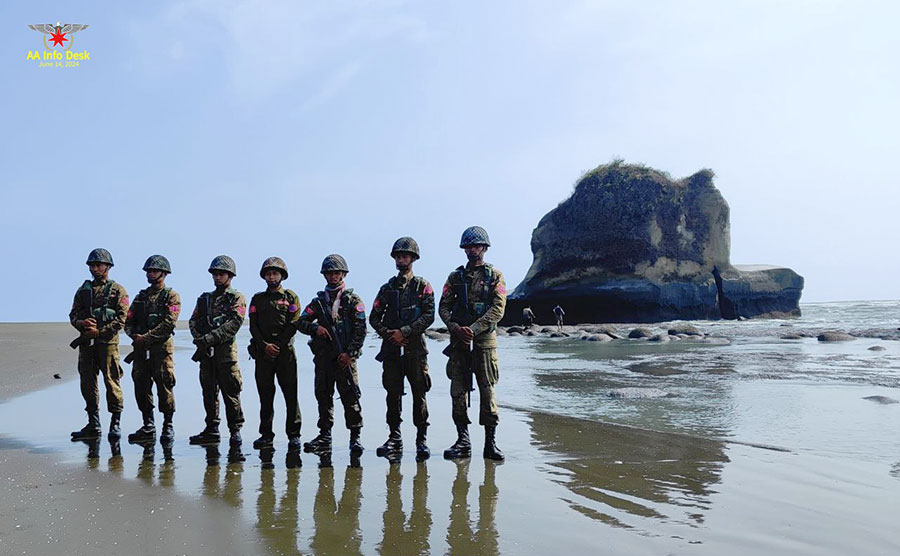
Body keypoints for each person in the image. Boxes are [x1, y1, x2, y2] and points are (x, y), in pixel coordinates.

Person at [439, 226, 507, 461]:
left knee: (487, 390)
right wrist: (456, 328)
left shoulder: (494, 276)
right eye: (468, 246)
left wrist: (474, 329)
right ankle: (463, 441)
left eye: (476, 246)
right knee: (457, 391)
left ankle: (490, 443)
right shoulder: (455, 277)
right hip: (459, 341)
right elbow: (443, 307)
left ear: (484, 248)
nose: (472, 250)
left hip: (484, 341)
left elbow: (498, 308)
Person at [369, 237, 435, 461]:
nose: (401, 259)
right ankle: (394, 438)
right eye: (398, 256)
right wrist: (389, 334)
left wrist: (405, 331)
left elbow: (429, 316)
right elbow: (374, 317)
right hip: (391, 350)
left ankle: (421, 440)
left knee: (420, 393)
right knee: (392, 394)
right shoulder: (387, 288)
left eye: (405, 256)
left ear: (413, 258)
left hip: (415, 349)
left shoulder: (422, 286)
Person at [296, 254, 367, 455]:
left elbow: (361, 328)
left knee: (351, 397)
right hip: (324, 359)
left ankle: (355, 438)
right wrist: (315, 329)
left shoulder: (353, 300)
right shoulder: (318, 302)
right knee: (323, 396)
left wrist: (350, 353)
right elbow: (300, 322)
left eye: (336, 273)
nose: (333, 277)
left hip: (345, 359)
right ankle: (325, 436)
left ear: (343, 274)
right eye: (329, 273)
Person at [69, 248, 129, 440]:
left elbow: (122, 319)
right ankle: (93, 423)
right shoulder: (83, 290)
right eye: (92, 265)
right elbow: (73, 316)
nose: (95, 268)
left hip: (108, 344)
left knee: (112, 382)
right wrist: (82, 324)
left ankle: (115, 422)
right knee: (87, 383)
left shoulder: (118, 290)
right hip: (87, 345)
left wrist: (100, 332)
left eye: (98, 265)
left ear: (108, 267)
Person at [188, 255, 247, 446]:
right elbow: (193, 321)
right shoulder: (205, 299)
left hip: (225, 354)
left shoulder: (237, 298)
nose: (217, 277)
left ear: (230, 276)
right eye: (215, 274)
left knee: (231, 393)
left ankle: (235, 431)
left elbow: (234, 323)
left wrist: (210, 338)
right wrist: (200, 339)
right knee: (208, 393)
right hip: (206, 354)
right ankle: (211, 429)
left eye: (221, 274)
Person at [124, 255, 181, 444]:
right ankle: (148, 424)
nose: (150, 274)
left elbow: (169, 323)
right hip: (141, 351)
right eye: (148, 271)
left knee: (164, 386)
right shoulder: (141, 297)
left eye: (154, 271)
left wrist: (146, 338)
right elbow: (128, 321)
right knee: (141, 386)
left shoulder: (171, 296)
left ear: (164, 274)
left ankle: (168, 425)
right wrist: (135, 337)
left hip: (161, 350)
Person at [248, 257, 302, 451]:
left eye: (275, 273)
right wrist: (264, 346)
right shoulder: (257, 299)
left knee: (290, 395)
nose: (272, 276)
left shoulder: (291, 297)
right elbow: (253, 326)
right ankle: (266, 434)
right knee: (265, 395)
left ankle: (294, 435)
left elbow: (293, 324)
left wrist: (277, 346)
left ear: (282, 275)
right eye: (268, 273)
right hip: (263, 355)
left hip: (285, 353)